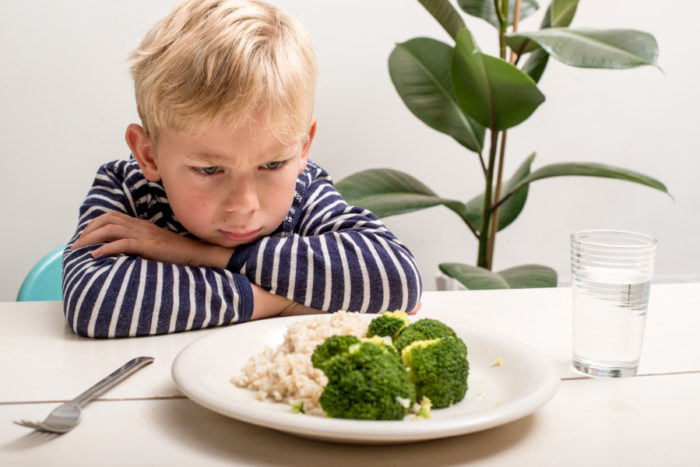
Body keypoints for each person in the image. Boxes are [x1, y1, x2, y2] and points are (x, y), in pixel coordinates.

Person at [62, 0, 422, 338]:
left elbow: (398, 279)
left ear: (302, 148)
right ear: (149, 155)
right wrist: (280, 302)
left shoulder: (304, 189)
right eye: (209, 170)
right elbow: (96, 304)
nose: (244, 204)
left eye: (271, 164)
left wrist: (201, 254)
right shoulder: (126, 188)